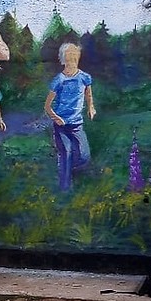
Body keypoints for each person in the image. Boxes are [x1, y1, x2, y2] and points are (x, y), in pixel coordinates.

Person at [44, 42, 96, 192]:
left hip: (77, 125)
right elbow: (47, 106)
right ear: (62, 60)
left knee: (84, 155)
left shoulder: (85, 77)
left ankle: (67, 169)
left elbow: (88, 94)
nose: (72, 60)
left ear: (78, 58)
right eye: (69, 57)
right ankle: (64, 189)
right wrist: (56, 118)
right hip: (61, 126)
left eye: (74, 56)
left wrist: (91, 107)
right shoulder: (59, 80)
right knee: (66, 152)